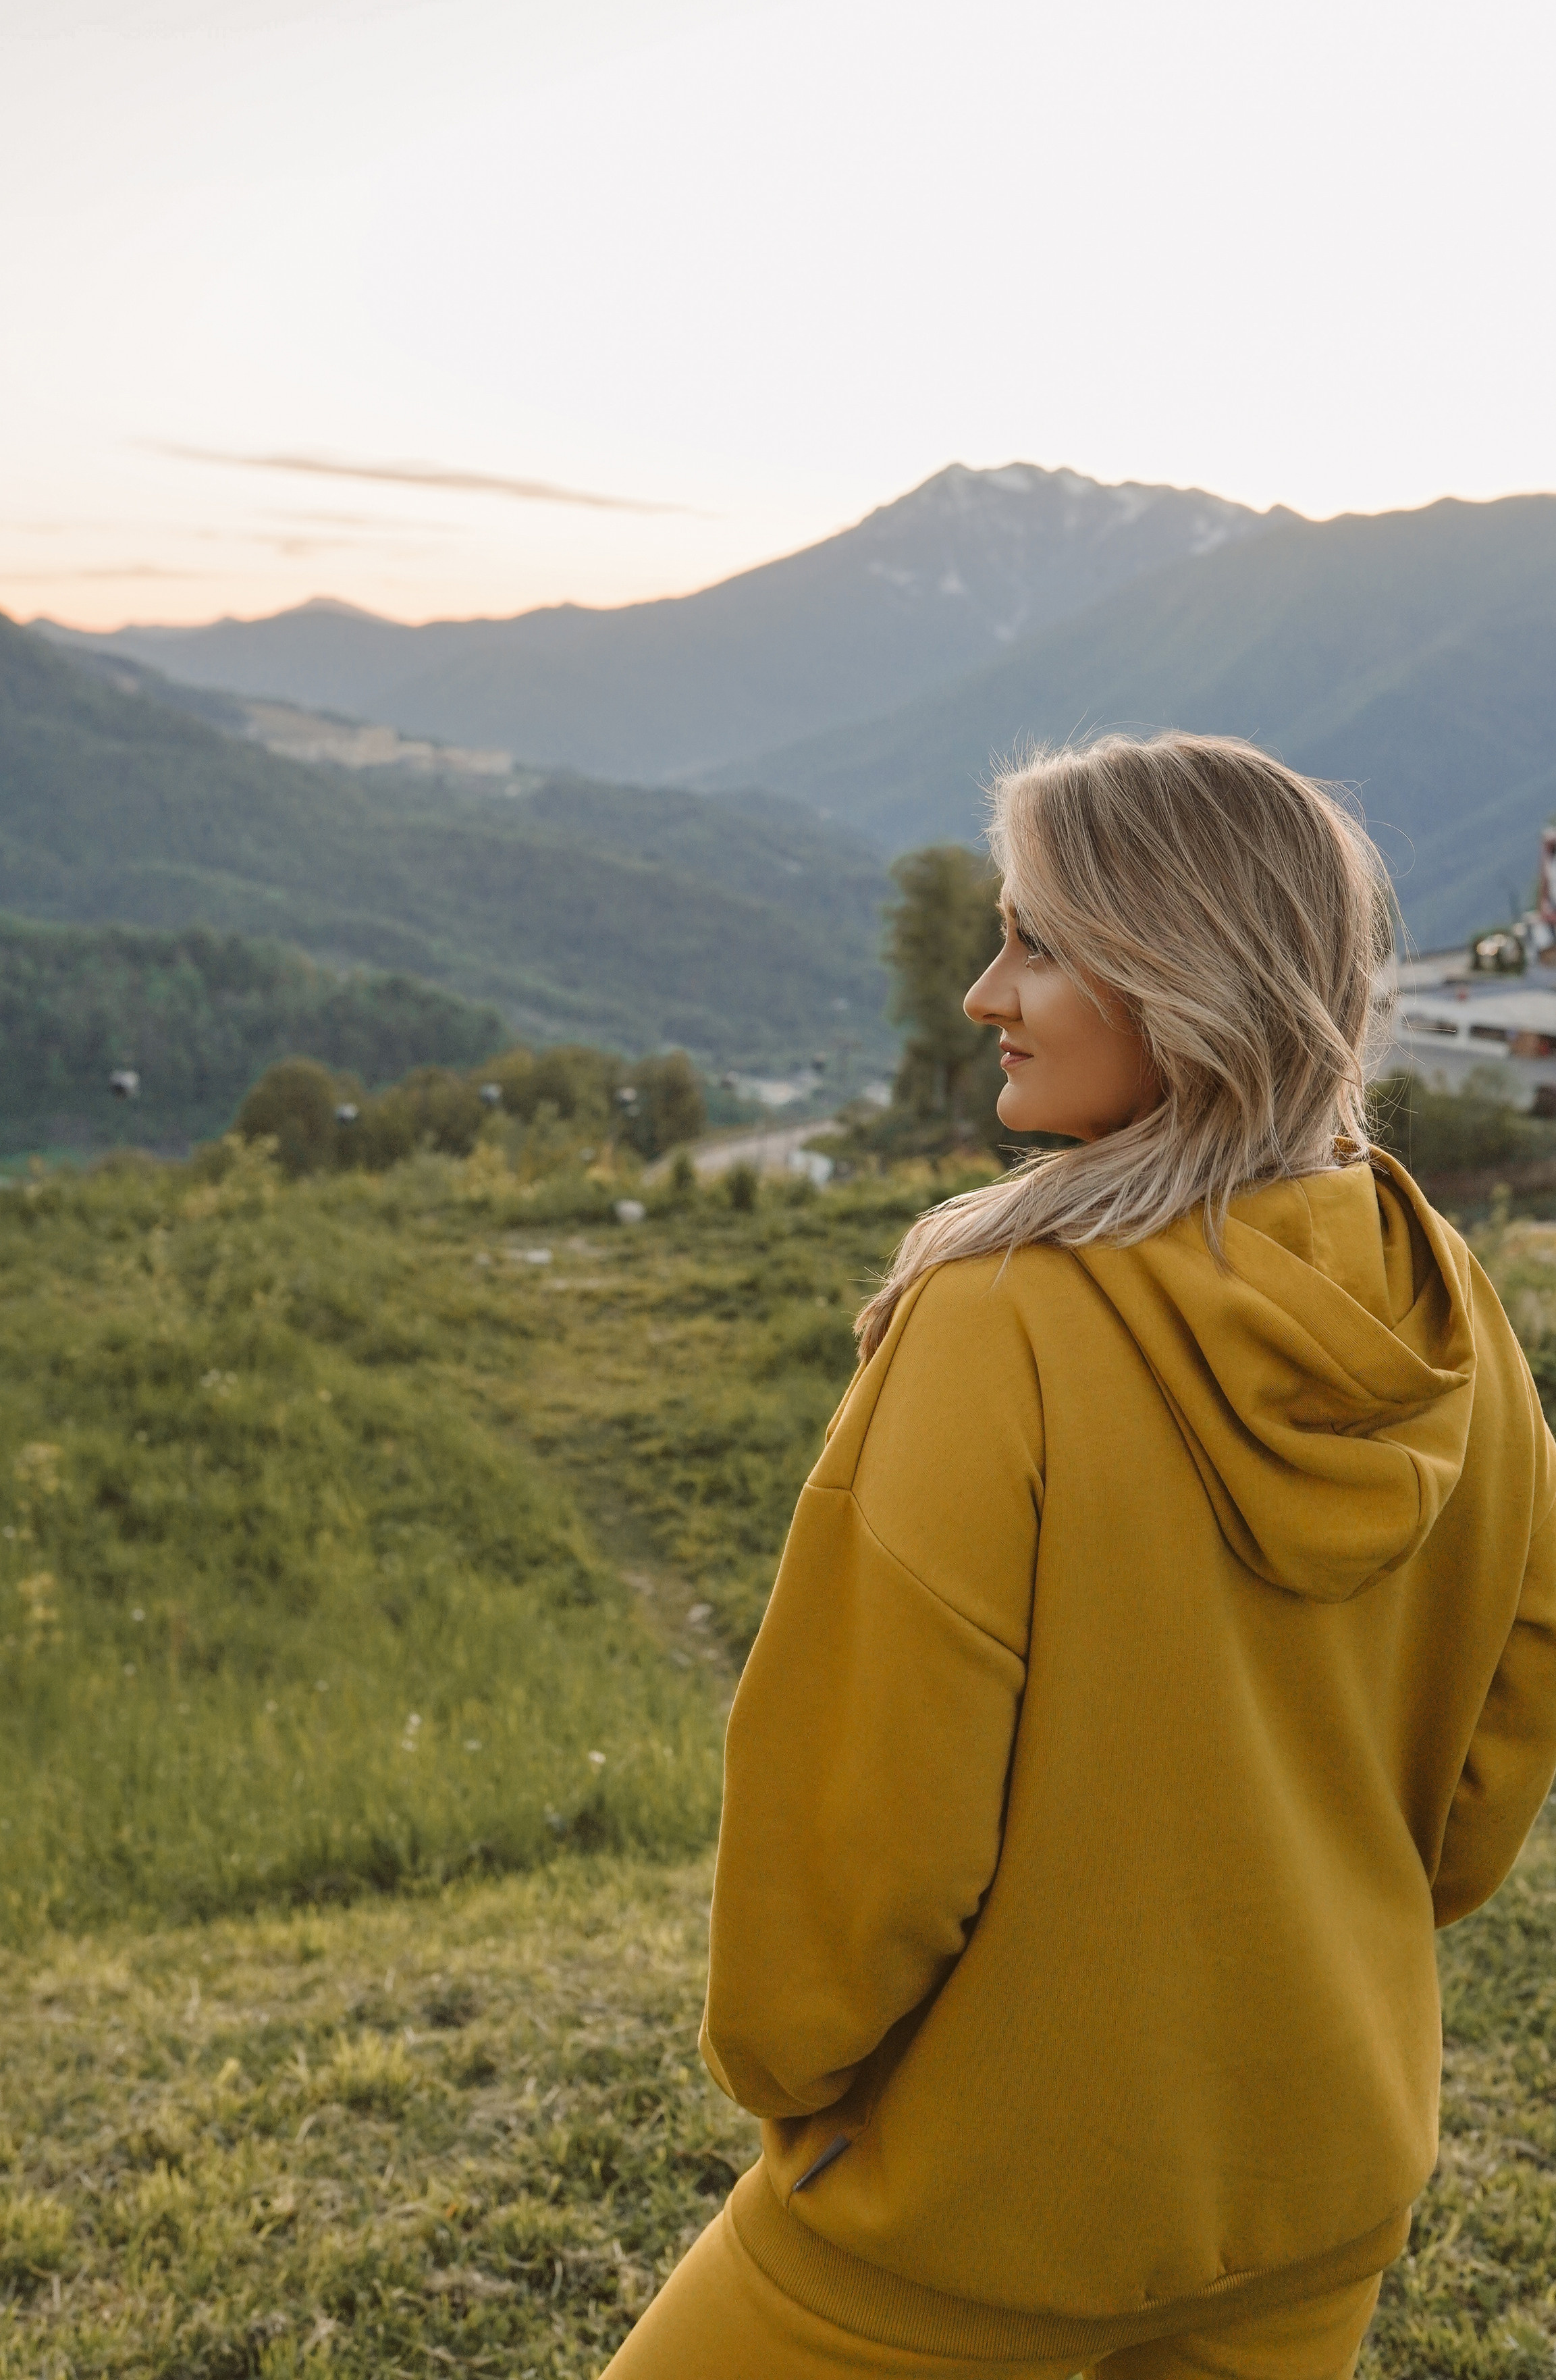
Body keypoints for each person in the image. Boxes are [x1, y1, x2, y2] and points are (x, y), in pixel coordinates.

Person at [603, 733, 1556, 2380]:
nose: (984, 990)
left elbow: (866, 1822)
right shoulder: (1444, 1294)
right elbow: (1493, 1747)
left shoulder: (996, 1326)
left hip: (968, 2217)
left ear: (1177, 973)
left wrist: (793, 2073)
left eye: (1035, 942)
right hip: (1312, 2185)